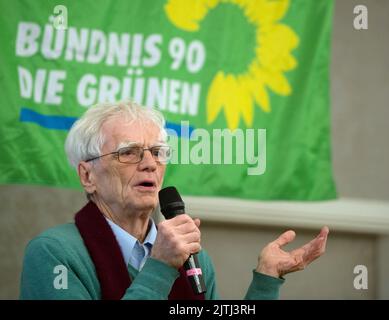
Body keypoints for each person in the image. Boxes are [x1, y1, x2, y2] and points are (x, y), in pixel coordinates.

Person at [20, 101, 329, 300]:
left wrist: (266, 280)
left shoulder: (192, 258)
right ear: (88, 176)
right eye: (128, 152)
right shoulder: (53, 254)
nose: (150, 164)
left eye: (158, 152)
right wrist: (160, 267)